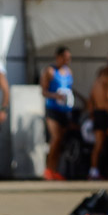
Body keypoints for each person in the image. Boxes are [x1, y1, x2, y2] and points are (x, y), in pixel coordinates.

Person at [41, 47, 73, 181]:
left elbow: (70, 90)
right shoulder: (50, 71)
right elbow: (43, 91)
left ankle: (55, 169)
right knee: (56, 138)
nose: (67, 61)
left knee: (61, 141)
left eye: (68, 58)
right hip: (52, 109)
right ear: (58, 57)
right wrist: (56, 96)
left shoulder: (68, 72)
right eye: (65, 58)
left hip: (64, 110)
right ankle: (48, 169)